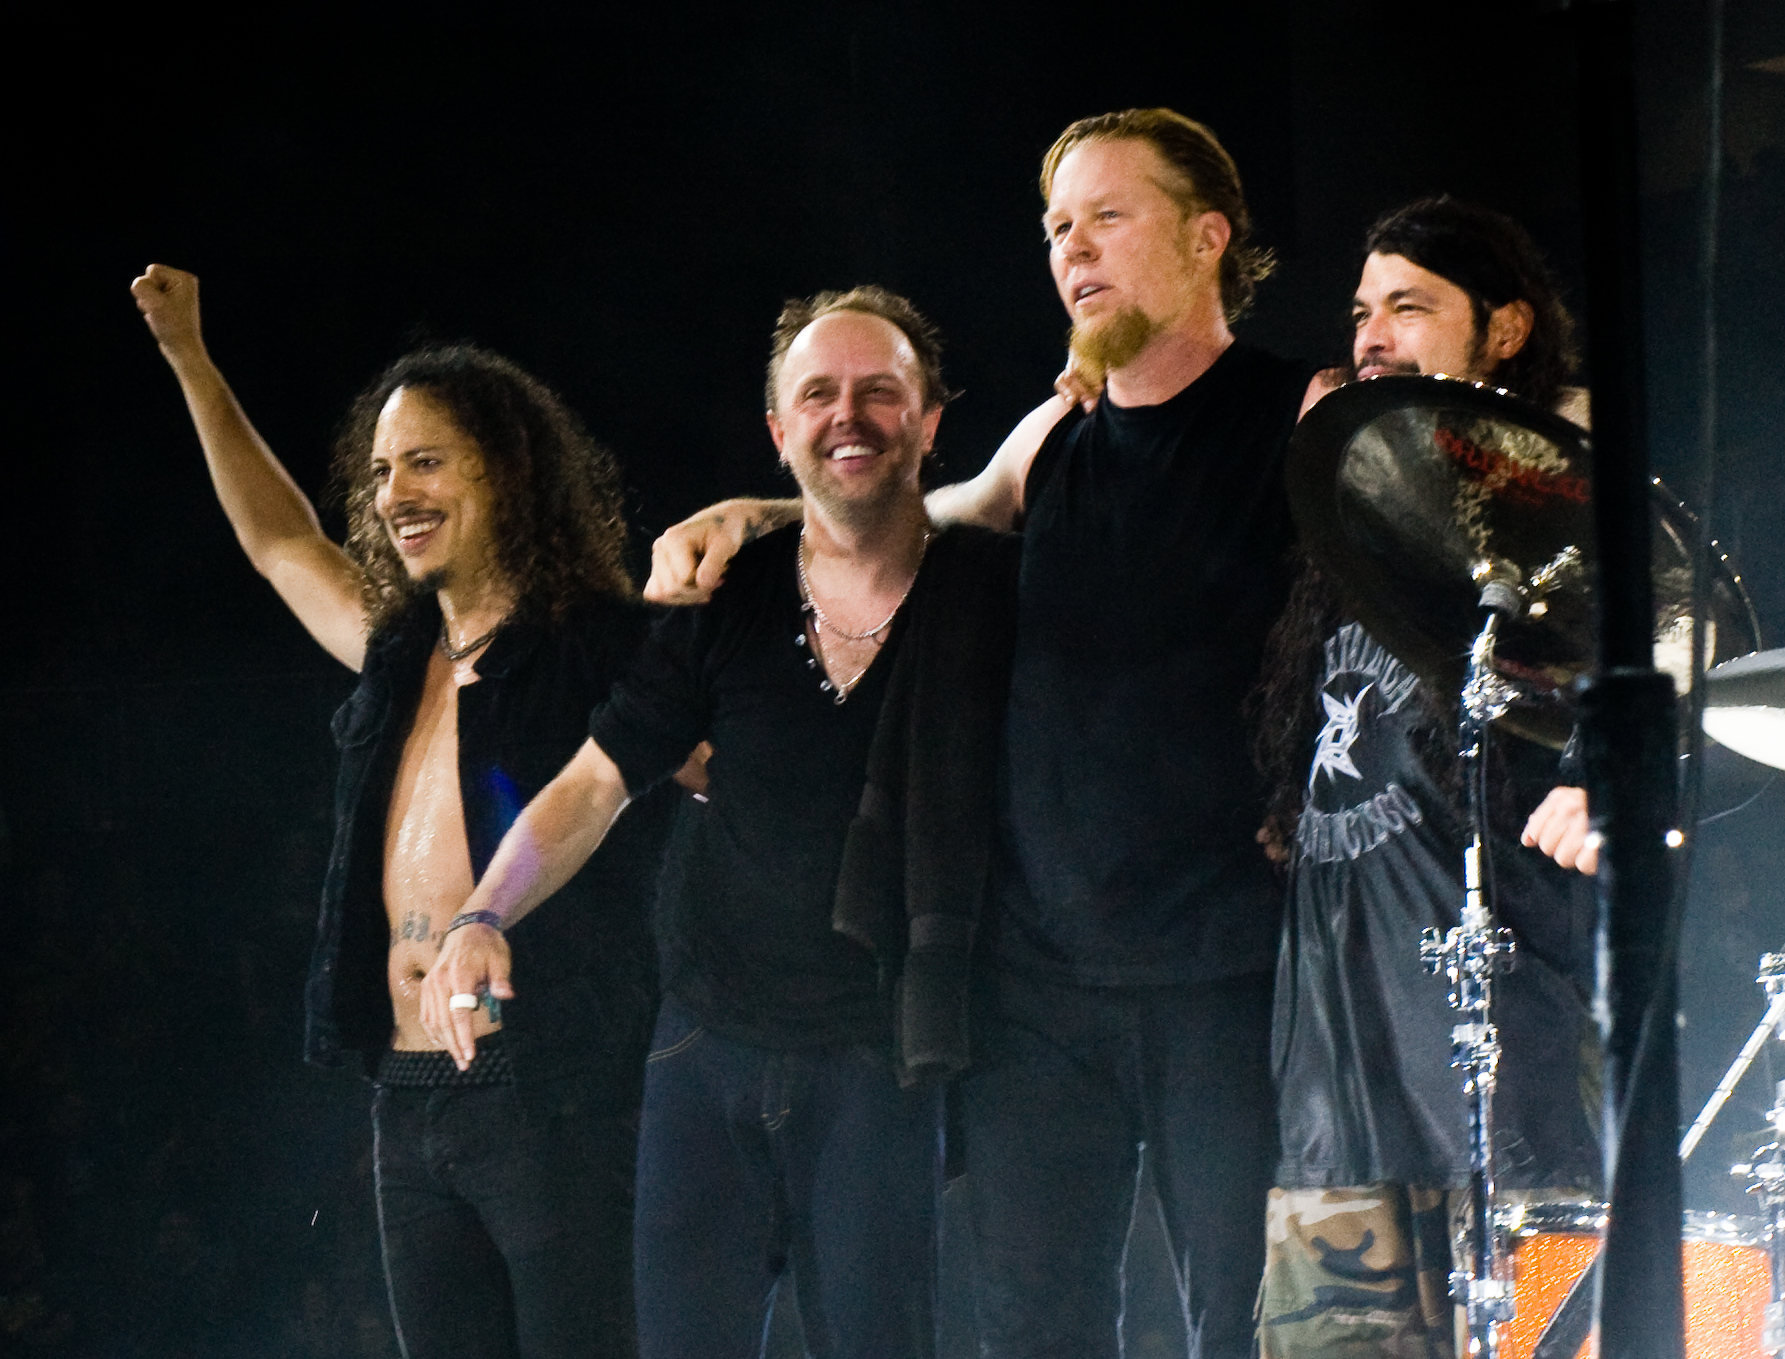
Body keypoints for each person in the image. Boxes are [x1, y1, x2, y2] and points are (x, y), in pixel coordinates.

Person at [641, 109, 1320, 1359]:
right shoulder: (1051, 436)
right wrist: (749, 510)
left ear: (1208, 236)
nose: (1075, 250)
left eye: (1109, 216)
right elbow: (892, 523)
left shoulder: (1300, 414)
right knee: (1032, 1324)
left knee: (1252, 1317)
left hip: (1228, 965)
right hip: (1037, 974)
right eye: (1059, 225)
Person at [420, 286, 1021, 1359]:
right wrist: (484, 913)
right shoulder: (724, 592)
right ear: (779, 432)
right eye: (819, 395)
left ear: (930, 422)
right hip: (706, 1048)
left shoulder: (989, 590)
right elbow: (598, 780)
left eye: (881, 393)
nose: (851, 416)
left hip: (881, 1059)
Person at [130, 264, 672, 1359]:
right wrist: (191, 359)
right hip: (407, 1094)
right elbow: (282, 543)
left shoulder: (606, 646)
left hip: (554, 1093)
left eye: (425, 461)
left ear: (508, 473)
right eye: (381, 472)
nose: (392, 495)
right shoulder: (396, 654)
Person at [1251, 197, 1602, 1356]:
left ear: (1504, 329)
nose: (1372, 335)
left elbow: (1687, 650)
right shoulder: (1362, 511)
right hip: (1339, 1068)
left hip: (1500, 1057)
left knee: (1539, 1335)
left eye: (1409, 307)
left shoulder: (1557, 504)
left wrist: (1602, 776)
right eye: (1362, 312)